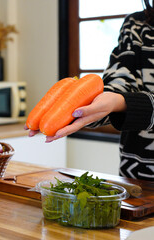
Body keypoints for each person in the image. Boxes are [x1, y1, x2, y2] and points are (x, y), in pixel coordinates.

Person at [27, 1, 154, 181]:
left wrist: (122, 103)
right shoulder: (136, 24)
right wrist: (90, 105)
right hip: (137, 179)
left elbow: (121, 101)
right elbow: (120, 81)